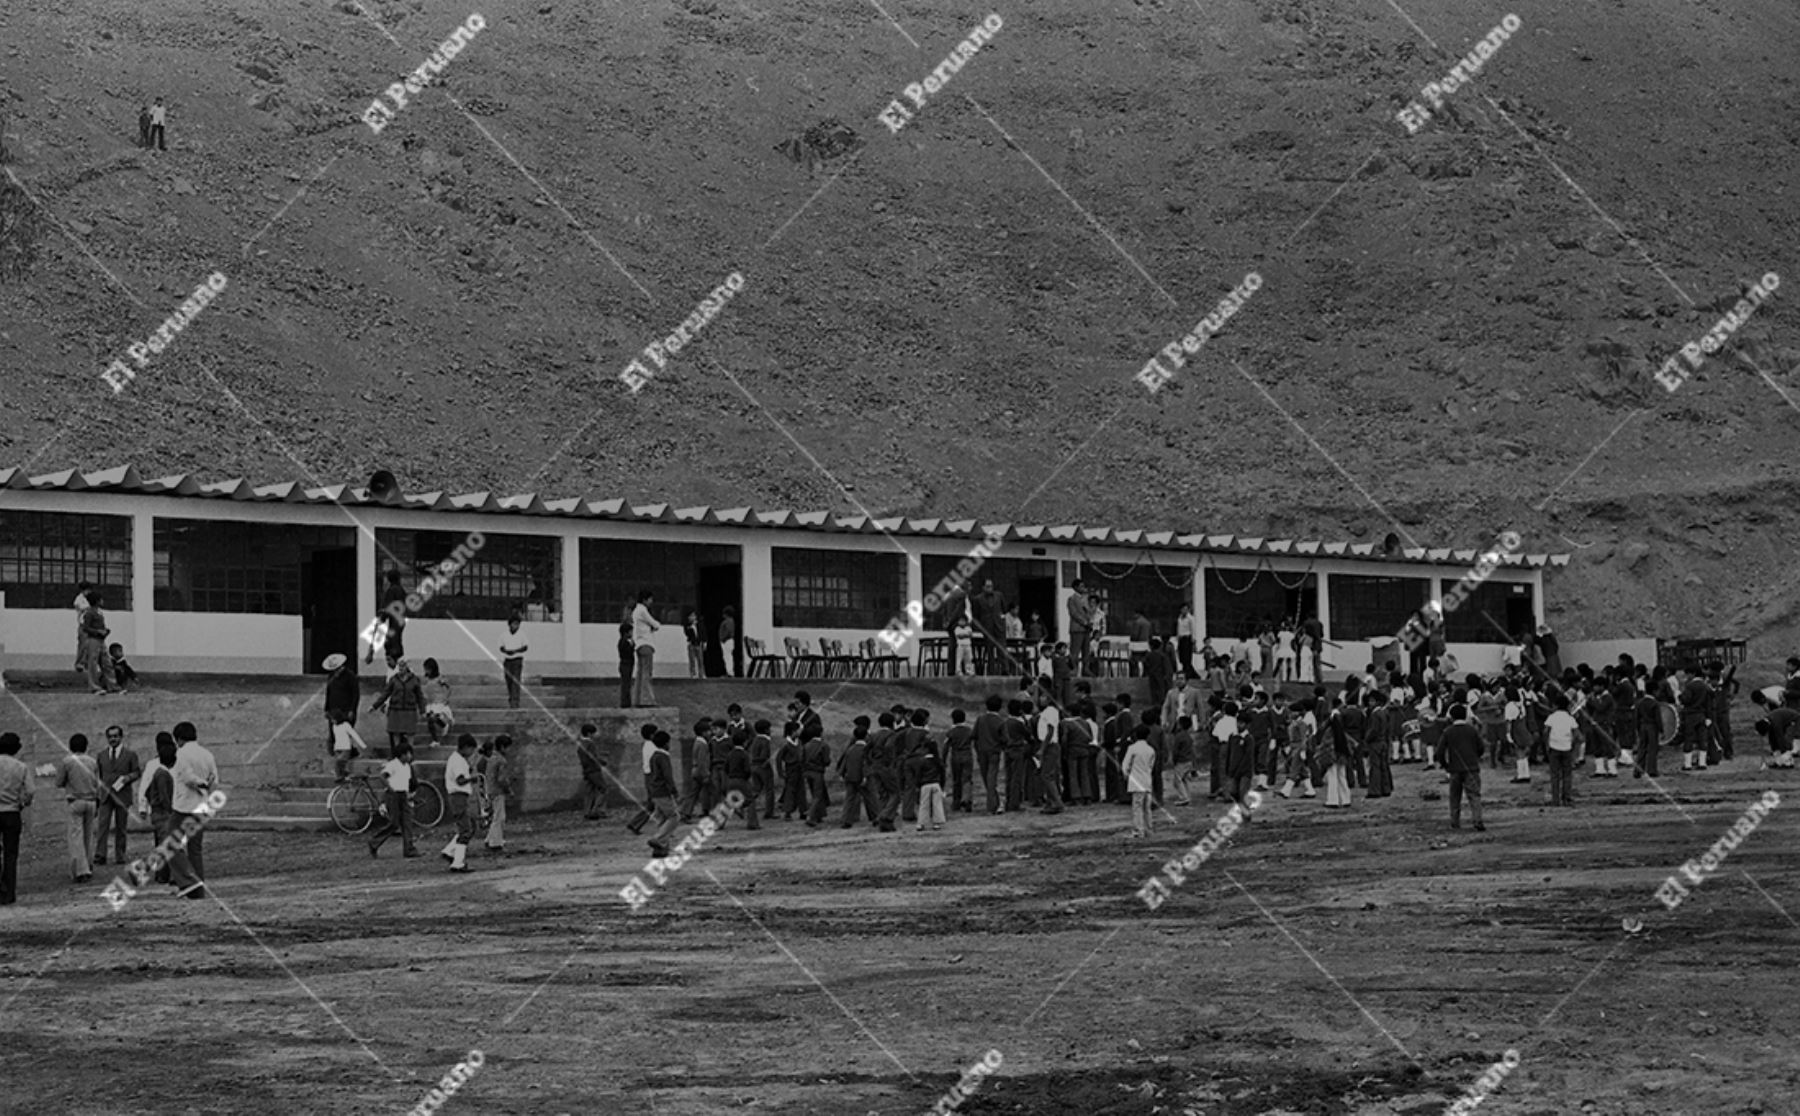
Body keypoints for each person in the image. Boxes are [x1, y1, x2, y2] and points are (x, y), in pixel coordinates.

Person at [168, 722, 217, 897]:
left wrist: (200, 784)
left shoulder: (181, 753)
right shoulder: (207, 754)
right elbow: (215, 779)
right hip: (201, 806)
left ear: (179, 739)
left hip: (183, 806)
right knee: (195, 849)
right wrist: (206, 790)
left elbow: (188, 778)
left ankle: (189, 882)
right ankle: (198, 888)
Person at [93, 725, 140, 867]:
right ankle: (100, 854)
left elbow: (137, 772)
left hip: (122, 794)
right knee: (103, 826)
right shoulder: (101, 755)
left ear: (121, 737)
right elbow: (99, 776)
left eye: (115, 736)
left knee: (121, 827)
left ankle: (120, 854)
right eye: (110, 737)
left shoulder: (130, 755)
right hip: (106, 795)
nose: (113, 739)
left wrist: (128, 778)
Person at [58, 733, 102, 882]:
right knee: (88, 836)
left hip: (75, 800)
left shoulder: (67, 762)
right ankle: (88, 865)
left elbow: (59, 782)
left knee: (75, 837)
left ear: (71, 746)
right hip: (91, 801)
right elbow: (97, 783)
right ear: (86, 746)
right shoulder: (93, 762)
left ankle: (81, 870)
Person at [367, 742, 420, 858]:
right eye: (408, 754)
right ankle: (374, 842)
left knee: (407, 822)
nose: (410, 756)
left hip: (403, 795)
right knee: (394, 822)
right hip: (393, 795)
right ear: (402, 755)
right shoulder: (393, 764)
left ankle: (409, 848)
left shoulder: (407, 767)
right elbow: (382, 776)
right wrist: (390, 788)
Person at [1439, 703, 1486, 831]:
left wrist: (1445, 765)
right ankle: (1478, 820)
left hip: (1454, 768)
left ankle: (1455, 821)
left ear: (1452, 717)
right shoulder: (1472, 730)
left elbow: (1440, 751)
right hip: (1471, 767)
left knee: (1455, 796)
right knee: (1474, 795)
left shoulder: (1448, 732)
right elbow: (1481, 747)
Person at [140, 733, 177, 885]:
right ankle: (167, 875)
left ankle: (163, 874)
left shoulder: (155, 769)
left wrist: (148, 805)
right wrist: (169, 810)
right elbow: (163, 796)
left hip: (158, 811)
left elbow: (147, 790)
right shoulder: (163, 773)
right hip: (164, 812)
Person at [371, 657, 424, 755]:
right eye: (399, 667)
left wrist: (422, 710)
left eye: (403, 667)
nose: (401, 669)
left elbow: (420, 696)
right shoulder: (394, 679)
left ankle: (410, 754)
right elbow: (386, 693)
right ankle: (397, 754)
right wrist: (375, 706)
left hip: (409, 710)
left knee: (410, 734)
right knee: (396, 734)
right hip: (396, 710)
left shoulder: (414, 680)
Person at [442, 734, 479, 871]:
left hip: (458, 796)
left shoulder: (457, 759)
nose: (471, 754)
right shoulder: (458, 760)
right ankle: (458, 863)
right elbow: (460, 780)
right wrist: (472, 778)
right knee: (466, 829)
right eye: (471, 750)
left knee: (468, 825)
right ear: (466, 748)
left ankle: (449, 851)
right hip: (458, 796)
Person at [0, 733, 29, 905]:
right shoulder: (21, 766)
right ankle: (8, 893)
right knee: (11, 854)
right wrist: (22, 803)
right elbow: (30, 791)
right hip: (12, 812)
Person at [644, 730, 682, 857]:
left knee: (662, 819)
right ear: (666, 743)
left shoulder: (653, 756)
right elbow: (668, 776)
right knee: (674, 817)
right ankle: (658, 839)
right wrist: (674, 791)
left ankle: (661, 849)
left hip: (654, 791)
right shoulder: (663, 757)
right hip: (663, 791)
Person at [837, 722, 878, 827]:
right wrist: (865, 776)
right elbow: (866, 764)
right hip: (862, 778)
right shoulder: (866, 750)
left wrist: (841, 774)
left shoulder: (850, 749)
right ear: (866, 736)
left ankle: (846, 820)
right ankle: (875, 818)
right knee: (871, 798)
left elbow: (844, 762)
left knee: (849, 799)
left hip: (850, 777)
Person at [1543, 691, 1579, 807]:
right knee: (1567, 774)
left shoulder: (1552, 717)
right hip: (1567, 747)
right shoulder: (1570, 718)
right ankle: (1567, 797)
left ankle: (1555, 799)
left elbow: (1546, 732)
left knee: (1555, 775)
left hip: (1554, 747)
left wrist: (1546, 745)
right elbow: (1576, 734)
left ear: (1556, 705)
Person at [1123, 726, 1157, 839]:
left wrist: (1126, 775)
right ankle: (1149, 829)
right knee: (1147, 807)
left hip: (1136, 781)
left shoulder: (1132, 748)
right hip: (1147, 780)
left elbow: (1125, 765)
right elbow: (1151, 766)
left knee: (1137, 807)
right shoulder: (1151, 749)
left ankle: (1138, 831)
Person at [82, 591, 120, 694]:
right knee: (93, 664)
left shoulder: (99, 612)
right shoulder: (89, 613)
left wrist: (105, 631)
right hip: (93, 640)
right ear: (97, 601)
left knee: (107, 663)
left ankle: (112, 685)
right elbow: (85, 627)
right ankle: (94, 687)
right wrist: (97, 631)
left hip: (101, 640)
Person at [722, 729, 760, 830]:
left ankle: (719, 824)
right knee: (750, 800)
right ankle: (752, 823)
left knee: (729, 801)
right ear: (745, 742)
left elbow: (725, 768)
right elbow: (747, 769)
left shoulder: (730, 754)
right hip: (742, 780)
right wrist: (746, 778)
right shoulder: (745, 754)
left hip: (731, 780)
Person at [484, 735, 514, 853]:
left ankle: (490, 839)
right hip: (498, 791)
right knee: (499, 817)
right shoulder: (501, 760)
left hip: (490, 790)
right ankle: (495, 843)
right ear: (502, 747)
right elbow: (502, 779)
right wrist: (509, 790)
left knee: (495, 816)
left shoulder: (492, 758)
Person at [323, 653, 359, 748]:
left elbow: (355, 694)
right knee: (334, 734)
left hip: (346, 710)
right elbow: (328, 692)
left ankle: (347, 753)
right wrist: (326, 709)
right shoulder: (331, 676)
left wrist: (352, 710)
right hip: (333, 710)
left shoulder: (351, 677)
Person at [631, 591, 660, 707]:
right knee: (647, 673)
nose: (651, 602)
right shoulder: (642, 610)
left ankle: (637, 699)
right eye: (650, 599)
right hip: (646, 644)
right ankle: (647, 699)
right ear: (644, 600)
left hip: (639, 644)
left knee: (640, 673)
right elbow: (656, 624)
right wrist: (653, 626)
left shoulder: (636, 611)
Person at [800, 722, 831, 828]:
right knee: (818, 795)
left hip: (807, 771)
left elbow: (801, 759)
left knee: (814, 794)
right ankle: (811, 815)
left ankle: (818, 815)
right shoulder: (823, 745)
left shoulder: (806, 745)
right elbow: (826, 761)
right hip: (817, 772)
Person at [944, 708, 975, 812]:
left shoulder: (951, 732)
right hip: (967, 755)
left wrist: (943, 759)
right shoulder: (969, 730)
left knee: (956, 780)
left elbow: (946, 746)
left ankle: (956, 802)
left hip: (956, 756)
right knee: (967, 779)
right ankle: (967, 800)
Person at [576, 723, 609, 820]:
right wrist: (602, 761)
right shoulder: (590, 744)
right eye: (594, 733)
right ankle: (597, 810)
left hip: (586, 770)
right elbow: (593, 757)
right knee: (604, 789)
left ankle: (587, 812)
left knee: (589, 792)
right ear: (589, 734)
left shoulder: (581, 743)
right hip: (594, 770)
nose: (595, 735)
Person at [420, 658, 453, 745]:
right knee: (430, 719)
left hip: (439, 703)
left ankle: (444, 725)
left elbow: (448, 688)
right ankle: (435, 740)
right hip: (431, 704)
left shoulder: (440, 679)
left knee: (433, 717)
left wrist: (446, 698)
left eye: (428, 669)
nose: (426, 671)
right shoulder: (427, 680)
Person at [499, 613, 528, 710]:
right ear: (510, 624)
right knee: (509, 681)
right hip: (508, 660)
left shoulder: (522, 634)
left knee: (516, 681)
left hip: (517, 660)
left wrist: (515, 651)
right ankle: (511, 698)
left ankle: (515, 702)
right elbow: (501, 647)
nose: (516, 626)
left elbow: (525, 647)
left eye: (518, 624)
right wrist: (507, 651)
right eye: (514, 624)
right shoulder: (504, 635)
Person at [1066, 581, 1094, 677]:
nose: (1083, 588)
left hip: (1086, 629)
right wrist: (1084, 622)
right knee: (1075, 651)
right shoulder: (1071, 599)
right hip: (1077, 628)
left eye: (1084, 586)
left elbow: (1090, 611)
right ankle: (1074, 669)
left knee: (1086, 650)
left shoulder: (1086, 599)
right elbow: (1074, 613)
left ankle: (1086, 669)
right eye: (1081, 586)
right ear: (1075, 587)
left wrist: (1090, 621)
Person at [329, 709, 366, 782]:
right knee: (340, 765)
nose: (332, 721)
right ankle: (344, 775)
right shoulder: (334, 726)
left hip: (345, 748)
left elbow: (354, 735)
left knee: (339, 761)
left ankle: (339, 777)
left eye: (333, 719)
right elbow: (335, 738)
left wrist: (363, 745)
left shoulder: (346, 725)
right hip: (338, 748)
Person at [73, 581, 93, 673]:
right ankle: (79, 663)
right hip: (83, 624)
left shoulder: (90, 598)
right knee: (83, 645)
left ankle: (87, 664)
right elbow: (80, 607)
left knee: (90, 645)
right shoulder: (79, 599)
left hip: (91, 624)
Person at [1175, 605, 1198, 680]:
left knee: (1187, 658)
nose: (1184, 611)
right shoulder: (1180, 618)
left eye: (1185, 609)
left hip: (1187, 639)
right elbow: (1178, 629)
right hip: (1181, 639)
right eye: (1182, 609)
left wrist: (1194, 642)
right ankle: (1191, 673)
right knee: (1181, 658)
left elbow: (1193, 630)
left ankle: (1188, 673)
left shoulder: (1190, 618)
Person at [681, 608, 704, 678]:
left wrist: (703, 641)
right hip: (691, 644)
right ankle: (693, 673)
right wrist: (691, 627)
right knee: (692, 660)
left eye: (694, 616)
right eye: (691, 616)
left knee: (700, 660)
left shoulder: (699, 624)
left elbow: (702, 632)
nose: (693, 617)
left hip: (698, 644)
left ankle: (701, 674)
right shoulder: (687, 626)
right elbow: (687, 633)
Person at [719, 606, 741, 678]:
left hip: (727, 641)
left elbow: (728, 631)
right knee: (728, 657)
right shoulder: (731, 621)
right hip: (728, 641)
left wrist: (723, 638)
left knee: (727, 657)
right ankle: (729, 672)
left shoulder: (728, 621)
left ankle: (730, 673)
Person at [616, 620, 634, 708]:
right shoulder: (624, 642)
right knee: (626, 684)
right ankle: (625, 702)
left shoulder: (623, 641)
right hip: (625, 664)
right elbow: (627, 652)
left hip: (626, 664)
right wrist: (632, 646)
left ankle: (627, 701)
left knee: (627, 683)